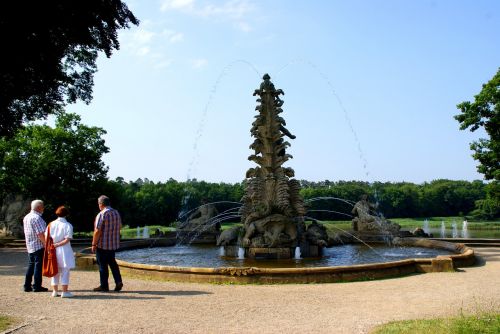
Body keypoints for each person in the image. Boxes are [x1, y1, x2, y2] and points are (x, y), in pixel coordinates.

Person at [91, 195, 123, 292]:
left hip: (102, 245)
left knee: (102, 265)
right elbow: (120, 226)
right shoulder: (116, 213)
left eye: (98, 204)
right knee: (113, 264)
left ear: (101, 204)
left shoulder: (102, 214)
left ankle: (104, 285)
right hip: (112, 244)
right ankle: (118, 281)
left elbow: (97, 231)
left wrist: (93, 244)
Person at [47, 206, 75, 298]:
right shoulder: (68, 225)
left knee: (55, 269)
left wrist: (53, 245)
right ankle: (64, 291)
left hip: (53, 249)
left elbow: (47, 237)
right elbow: (67, 239)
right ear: (66, 214)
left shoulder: (50, 224)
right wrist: (58, 244)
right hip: (64, 249)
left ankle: (55, 291)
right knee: (65, 270)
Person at [23, 199, 48, 292]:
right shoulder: (37, 218)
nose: (43, 208)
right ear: (38, 207)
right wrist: (46, 245)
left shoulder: (26, 217)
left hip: (30, 245)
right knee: (38, 266)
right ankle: (37, 286)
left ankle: (27, 285)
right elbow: (40, 234)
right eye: (42, 206)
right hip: (38, 245)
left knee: (31, 265)